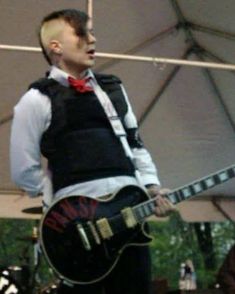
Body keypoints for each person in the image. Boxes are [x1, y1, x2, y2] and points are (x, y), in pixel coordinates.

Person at [10, 9, 175, 294]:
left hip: (129, 217)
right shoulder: (35, 100)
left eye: (93, 33)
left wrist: (151, 186)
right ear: (55, 46)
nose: (92, 39)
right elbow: (23, 169)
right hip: (79, 227)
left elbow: (135, 143)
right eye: (82, 33)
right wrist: (63, 203)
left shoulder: (113, 89)